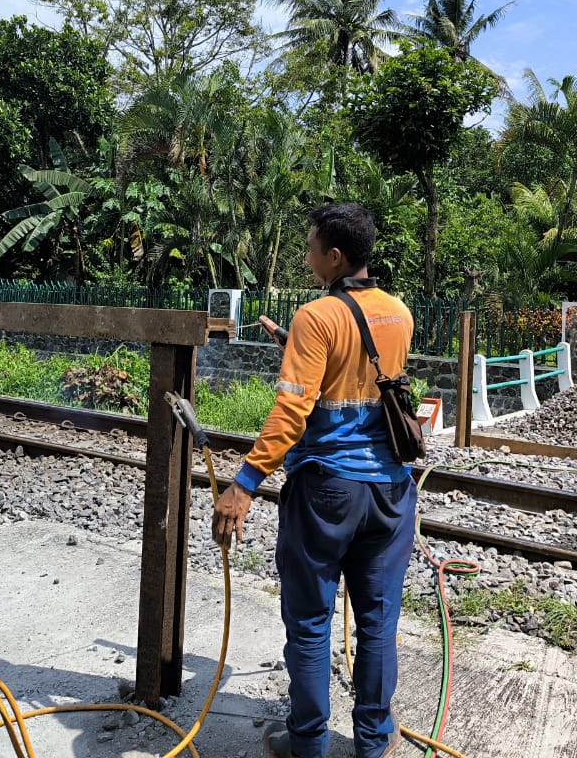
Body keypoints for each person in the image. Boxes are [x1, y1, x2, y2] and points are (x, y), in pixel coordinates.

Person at [212, 203, 415, 758]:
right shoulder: (399, 313)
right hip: (393, 492)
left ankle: (307, 743)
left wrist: (245, 481)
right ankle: (375, 741)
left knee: (309, 622)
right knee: (376, 622)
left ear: (335, 256)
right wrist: (292, 345)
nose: (305, 260)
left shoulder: (316, 316)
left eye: (310, 250)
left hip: (328, 491)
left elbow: (292, 411)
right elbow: (362, 376)